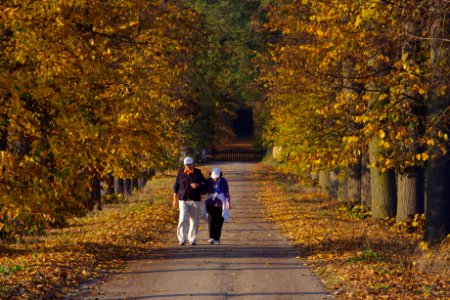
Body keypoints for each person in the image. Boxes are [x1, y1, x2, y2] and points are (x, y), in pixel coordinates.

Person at [173, 156, 206, 246]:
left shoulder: (198, 173)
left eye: (189, 164)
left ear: (193, 164)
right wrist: (174, 200)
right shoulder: (180, 172)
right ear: (184, 165)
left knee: (194, 220)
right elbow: (176, 186)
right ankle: (182, 239)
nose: (188, 166)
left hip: (195, 199)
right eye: (186, 164)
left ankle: (192, 239)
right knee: (183, 218)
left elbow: (205, 183)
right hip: (182, 199)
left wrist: (198, 185)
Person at [204, 167, 231, 245]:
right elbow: (204, 191)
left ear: (219, 175)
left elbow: (227, 192)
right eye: (214, 177)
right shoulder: (208, 181)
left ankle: (217, 238)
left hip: (220, 204)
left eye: (216, 177)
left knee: (219, 221)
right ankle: (211, 237)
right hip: (210, 203)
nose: (215, 179)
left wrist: (228, 202)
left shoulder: (223, 181)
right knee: (211, 220)